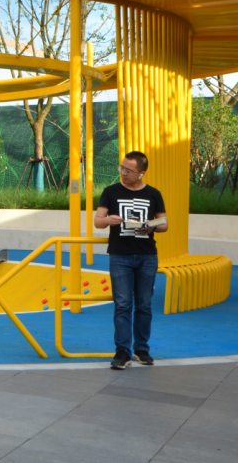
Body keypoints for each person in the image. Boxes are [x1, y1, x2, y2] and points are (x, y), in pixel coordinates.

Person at [94, 151, 167, 370]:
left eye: (129, 170)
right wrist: (108, 220)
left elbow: (164, 224)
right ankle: (122, 351)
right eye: (122, 168)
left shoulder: (153, 193)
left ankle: (141, 349)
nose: (123, 173)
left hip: (147, 256)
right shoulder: (111, 191)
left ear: (141, 173)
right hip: (120, 255)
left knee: (144, 304)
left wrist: (149, 225)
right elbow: (98, 221)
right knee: (123, 304)